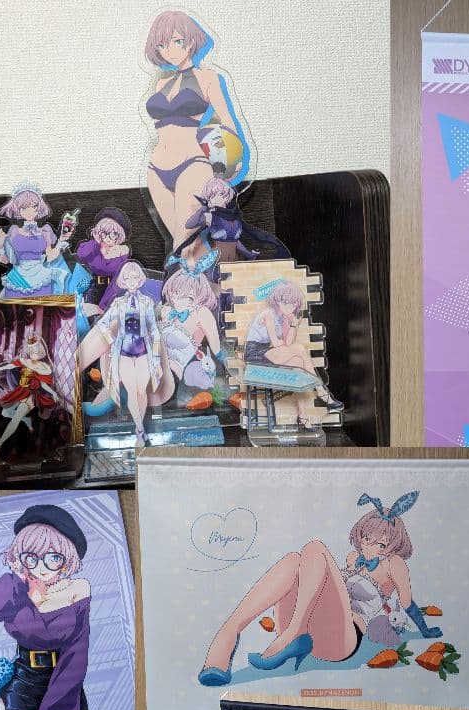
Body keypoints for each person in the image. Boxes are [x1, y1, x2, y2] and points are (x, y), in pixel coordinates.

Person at [199, 491, 441, 686]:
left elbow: (407, 603)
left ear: (392, 545)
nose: (369, 546)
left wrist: (425, 630)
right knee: (294, 560)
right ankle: (231, 631)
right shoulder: (352, 559)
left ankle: (291, 633)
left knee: (314, 548)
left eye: (380, 543)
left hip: (341, 639)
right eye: (366, 538)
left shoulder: (393, 564)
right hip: (306, 626)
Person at [144, 10, 253, 251]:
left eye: (177, 41)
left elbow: (227, 120)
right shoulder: (161, 84)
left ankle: (201, 274)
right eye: (162, 45)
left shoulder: (208, 78)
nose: (170, 50)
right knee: (188, 247)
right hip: (156, 169)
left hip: (193, 164)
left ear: (191, 40)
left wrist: (231, 165)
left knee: (184, 241)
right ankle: (214, 275)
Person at [0, 505, 92, 710]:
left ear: (67, 558)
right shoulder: (15, 586)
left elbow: (77, 653)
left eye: (54, 557)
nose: (42, 567)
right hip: (24, 683)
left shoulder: (76, 591)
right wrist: (20, 582)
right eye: (32, 557)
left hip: (66, 688)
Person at [80, 261, 175, 444]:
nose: (132, 281)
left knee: (141, 391)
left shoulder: (147, 302)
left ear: (139, 280)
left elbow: (153, 328)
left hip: (143, 351)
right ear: (123, 281)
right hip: (123, 352)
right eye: (128, 278)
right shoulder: (118, 303)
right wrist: (110, 340)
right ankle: (140, 429)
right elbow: (103, 323)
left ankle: (140, 426)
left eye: (135, 277)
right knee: (132, 391)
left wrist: (156, 354)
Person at [243, 280, 344, 424]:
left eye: (293, 304)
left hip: (268, 353)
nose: (289, 307)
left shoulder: (285, 318)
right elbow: (277, 343)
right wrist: (285, 344)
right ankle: (321, 392)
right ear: (277, 301)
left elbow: (288, 342)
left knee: (298, 366)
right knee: (299, 349)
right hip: (254, 354)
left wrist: (292, 324)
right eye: (285, 302)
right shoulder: (268, 314)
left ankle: (302, 416)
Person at [0, 337, 67, 462]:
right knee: (5, 412)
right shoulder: (25, 362)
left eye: (37, 351)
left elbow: (42, 384)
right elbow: (11, 365)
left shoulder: (43, 367)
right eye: (33, 351)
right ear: (29, 352)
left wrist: (53, 392)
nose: (35, 353)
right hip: (19, 392)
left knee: (16, 418)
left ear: (42, 352)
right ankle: (26, 420)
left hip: (31, 395)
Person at [0, 183, 78, 299]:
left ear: (39, 208)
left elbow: (50, 257)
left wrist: (61, 240)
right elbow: (5, 260)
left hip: (41, 277)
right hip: (17, 278)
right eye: (24, 208)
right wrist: (1, 243)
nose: (30, 211)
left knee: (41, 307)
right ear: (18, 210)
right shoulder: (14, 231)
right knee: (15, 307)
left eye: (34, 207)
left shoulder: (45, 231)